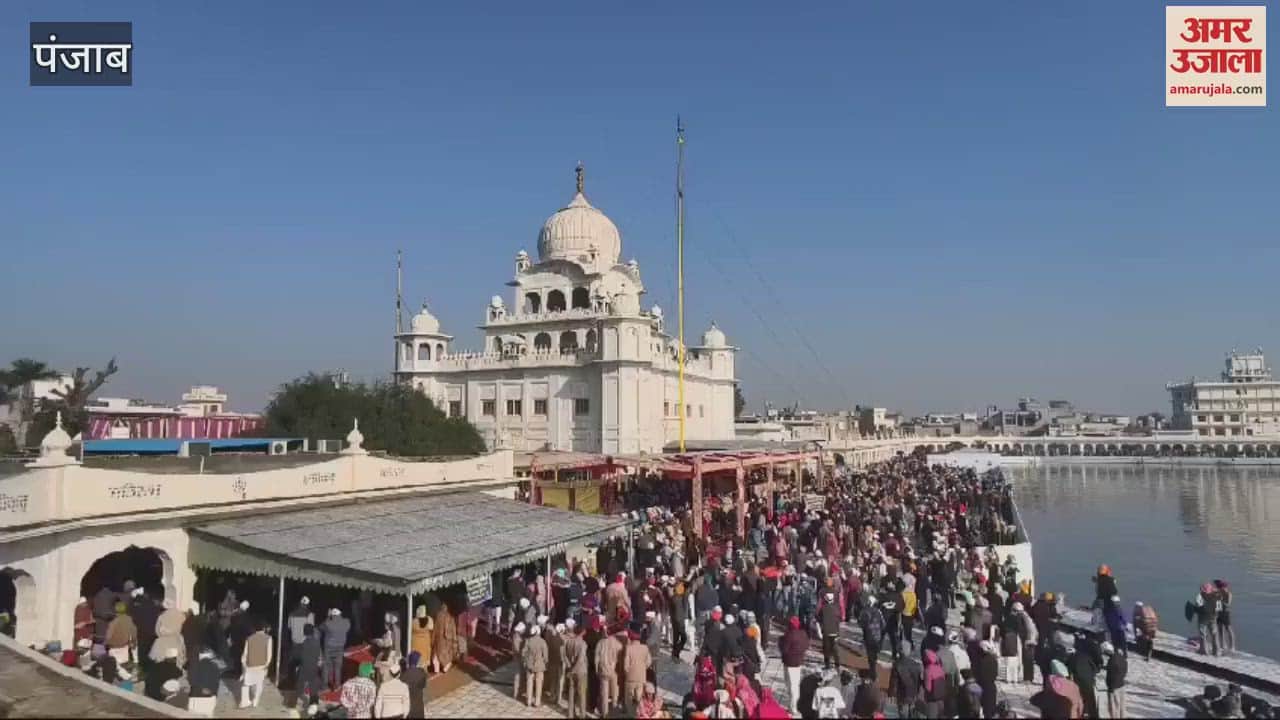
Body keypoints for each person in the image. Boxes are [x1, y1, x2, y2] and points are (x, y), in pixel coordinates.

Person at [779, 616, 809, 715]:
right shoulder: (803, 634)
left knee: (791, 686)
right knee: (794, 685)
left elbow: (784, 649)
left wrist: (781, 641)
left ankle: (793, 707)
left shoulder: (789, 635)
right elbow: (806, 646)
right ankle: (792, 705)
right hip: (798, 662)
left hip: (789, 663)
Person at [240, 621, 273, 709]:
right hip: (262, 665)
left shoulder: (249, 638)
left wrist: (244, 664)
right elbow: (269, 654)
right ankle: (255, 700)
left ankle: (245, 701)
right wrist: (267, 665)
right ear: (264, 629)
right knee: (259, 683)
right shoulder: (268, 638)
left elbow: (245, 653)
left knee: (246, 683)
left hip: (250, 664)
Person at [562, 622, 589, 718]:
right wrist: (573, 669)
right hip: (580, 671)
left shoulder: (568, 641)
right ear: (582, 632)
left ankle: (570, 713)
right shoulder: (583, 643)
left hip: (570, 669)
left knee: (571, 692)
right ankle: (582, 714)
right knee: (582, 693)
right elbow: (580, 659)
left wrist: (569, 666)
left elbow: (564, 655)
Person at [890, 640, 922, 719]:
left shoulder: (897, 664)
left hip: (902, 696)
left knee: (903, 715)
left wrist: (891, 694)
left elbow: (894, 682)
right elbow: (919, 682)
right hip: (913, 695)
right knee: (911, 714)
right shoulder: (916, 665)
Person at [595, 627, 622, 717]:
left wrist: (596, 670)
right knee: (614, 692)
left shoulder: (600, 643)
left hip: (603, 671)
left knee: (604, 694)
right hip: (613, 671)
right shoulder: (616, 643)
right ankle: (614, 710)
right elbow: (621, 651)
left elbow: (596, 659)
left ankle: (605, 713)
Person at [623, 629, 652, 713]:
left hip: (630, 677)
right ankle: (638, 713)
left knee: (629, 698)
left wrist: (627, 672)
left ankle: (631, 714)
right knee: (639, 697)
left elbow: (626, 665)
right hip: (641, 677)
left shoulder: (629, 648)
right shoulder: (645, 648)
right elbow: (649, 662)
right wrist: (643, 668)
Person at [187, 647, 221, 718]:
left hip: (195, 697)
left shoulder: (194, 665)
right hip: (210, 698)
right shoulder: (215, 666)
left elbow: (191, 681)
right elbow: (216, 684)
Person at [322, 608, 350, 690]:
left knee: (327, 666)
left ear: (332, 615)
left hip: (328, 647)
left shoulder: (328, 623)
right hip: (340, 647)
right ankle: (337, 685)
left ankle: (326, 685)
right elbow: (347, 627)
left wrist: (328, 616)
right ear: (340, 614)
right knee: (338, 667)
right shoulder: (346, 622)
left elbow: (322, 627)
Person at [296, 624, 324, 706]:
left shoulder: (303, 643)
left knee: (300, 683)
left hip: (304, 666)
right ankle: (314, 701)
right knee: (313, 684)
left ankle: (300, 698)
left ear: (304, 632)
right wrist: (319, 664)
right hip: (314, 666)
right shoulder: (317, 643)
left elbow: (301, 656)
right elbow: (320, 655)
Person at [522, 623, 548, 707]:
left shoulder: (528, 641)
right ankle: (537, 702)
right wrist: (545, 662)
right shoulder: (542, 642)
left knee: (529, 682)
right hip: (539, 665)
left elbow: (523, 652)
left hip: (529, 665)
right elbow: (545, 656)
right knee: (538, 684)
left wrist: (526, 661)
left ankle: (528, 701)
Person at [104, 601, 136, 668]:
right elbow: (134, 632)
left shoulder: (114, 622)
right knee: (124, 669)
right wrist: (133, 643)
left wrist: (105, 644)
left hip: (114, 648)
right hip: (125, 648)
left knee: (114, 669)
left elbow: (108, 636)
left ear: (115, 610)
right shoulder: (129, 619)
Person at [1102, 640, 1127, 719]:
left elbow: (1112, 676)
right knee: (1122, 707)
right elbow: (1124, 667)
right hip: (1121, 684)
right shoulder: (1120, 656)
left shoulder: (1112, 661)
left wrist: (1111, 688)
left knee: (1113, 708)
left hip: (1114, 688)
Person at [976, 640, 1000, 720]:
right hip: (992, 686)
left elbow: (980, 674)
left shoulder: (981, 660)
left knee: (985, 710)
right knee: (990, 710)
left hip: (983, 686)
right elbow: (996, 674)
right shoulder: (993, 659)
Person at [432, 603, 459, 673]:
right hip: (447, 640)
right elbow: (454, 630)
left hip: (439, 639)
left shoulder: (438, 616)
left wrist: (432, 639)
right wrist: (454, 640)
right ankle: (445, 667)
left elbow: (435, 629)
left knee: (437, 655)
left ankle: (437, 669)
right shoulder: (450, 617)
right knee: (446, 655)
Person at [818, 591, 841, 670]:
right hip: (835, 631)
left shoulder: (823, 608)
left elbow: (819, 618)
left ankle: (827, 665)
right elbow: (838, 619)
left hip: (826, 631)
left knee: (826, 649)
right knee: (835, 649)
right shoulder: (836, 608)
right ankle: (837, 665)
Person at [403, 651, 428, 719]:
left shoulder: (403, 675)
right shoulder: (422, 673)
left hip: (407, 707)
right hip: (418, 706)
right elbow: (424, 685)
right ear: (417, 661)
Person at [1214, 579, 1235, 654]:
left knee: (1228, 629)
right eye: (1219, 587)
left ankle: (1232, 646)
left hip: (1225, 613)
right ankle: (1223, 645)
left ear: (1225, 587)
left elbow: (1228, 604)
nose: (1219, 588)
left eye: (1220, 587)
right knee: (1220, 629)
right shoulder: (1218, 592)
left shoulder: (1229, 594)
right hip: (1218, 613)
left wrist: (1221, 600)